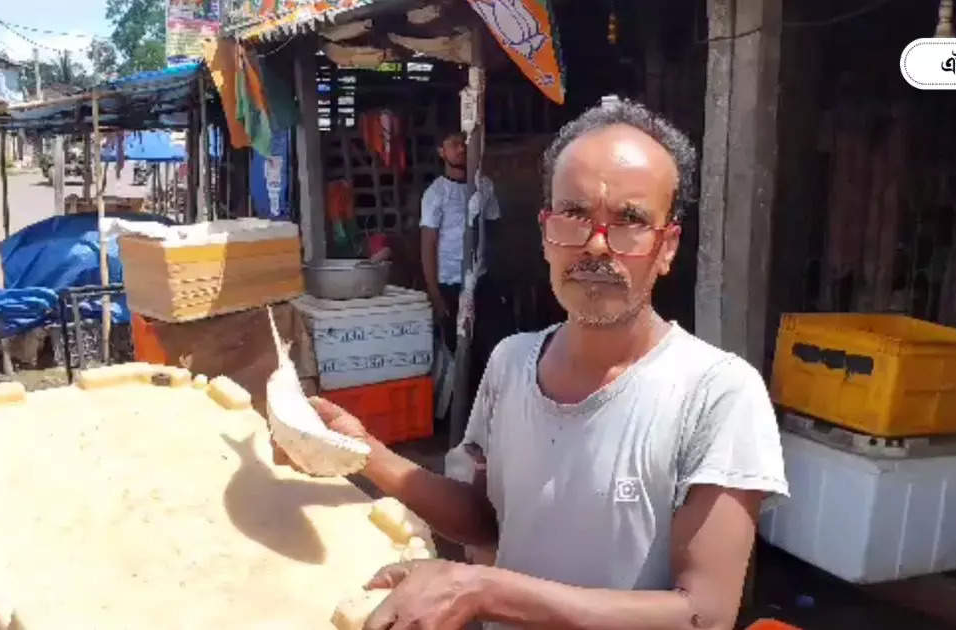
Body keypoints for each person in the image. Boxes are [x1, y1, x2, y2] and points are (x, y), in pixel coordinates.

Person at [308, 98, 788, 630]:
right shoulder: (511, 363)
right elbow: (487, 522)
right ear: (545, 232)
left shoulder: (718, 394)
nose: (596, 246)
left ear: (667, 245)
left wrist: (482, 589)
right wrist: (364, 452)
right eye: (575, 215)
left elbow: (705, 613)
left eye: (629, 221)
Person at [420, 131, 501, 356]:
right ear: (441, 152)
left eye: (464, 143)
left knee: (490, 345)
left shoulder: (485, 186)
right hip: (450, 282)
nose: (461, 149)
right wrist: (435, 294)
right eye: (454, 144)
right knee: (458, 349)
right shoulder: (436, 193)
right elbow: (428, 244)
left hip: (481, 279)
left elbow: (494, 228)